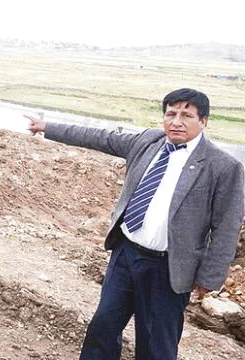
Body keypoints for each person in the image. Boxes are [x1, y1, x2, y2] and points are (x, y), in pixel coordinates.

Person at [26, 88, 244, 360]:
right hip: (126, 254)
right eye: (171, 114)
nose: (176, 121)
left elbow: (227, 227)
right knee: (103, 326)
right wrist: (48, 127)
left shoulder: (222, 166)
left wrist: (209, 277)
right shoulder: (149, 141)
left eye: (186, 115)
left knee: (156, 345)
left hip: (169, 268)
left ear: (204, 121)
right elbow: (100, 138)